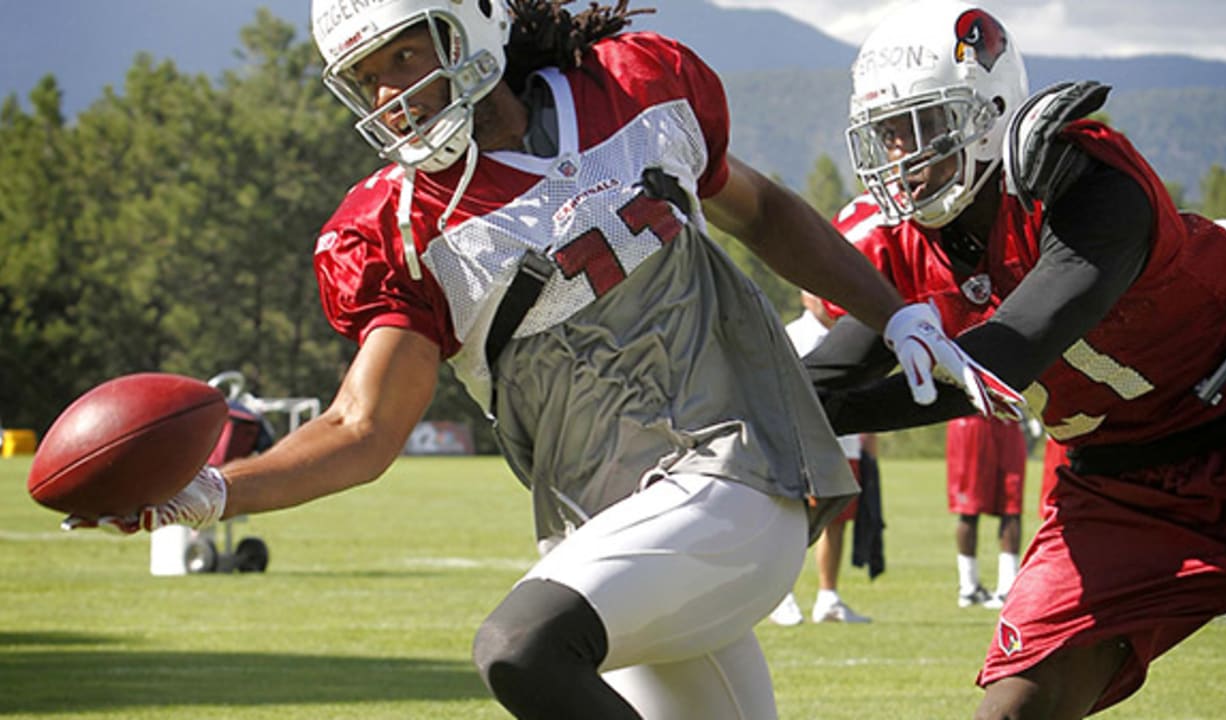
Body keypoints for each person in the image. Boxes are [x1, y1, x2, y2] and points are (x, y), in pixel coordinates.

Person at [61, 2, 1010, 718]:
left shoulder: (634, 86)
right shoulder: (395, 226)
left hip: (739, 474)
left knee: (521, 648)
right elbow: (362, 428)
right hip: (608, 534)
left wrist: (896, 316)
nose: (394, 92)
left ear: (473, 24)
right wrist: (212, 492)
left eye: (407, 54)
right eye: (369, 75)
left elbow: (760, 210)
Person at [802, 1, 1226, 717]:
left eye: (920, 128)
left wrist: (818, 407)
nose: (901, 155)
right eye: (888, 134)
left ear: (990, 112)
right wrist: (748, 403)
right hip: (1118, 485)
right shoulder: (906, 247)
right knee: (1014, 709)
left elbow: (1000, 361)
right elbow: (829, 376)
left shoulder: (1089, 187)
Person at [769, 291, 873, 626]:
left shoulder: (854, 335)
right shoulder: (792, 336)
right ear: (802, 296)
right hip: (803, 448)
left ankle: (828, 597)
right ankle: (780, 596)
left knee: (837, 522)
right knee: (795, 524)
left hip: (844, 443)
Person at [945, 414, 1026, 609]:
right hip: (972, 417)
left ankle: (1006, 587)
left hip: (1005, 416)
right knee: (969, 507)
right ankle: (969, 587)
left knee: (1011, 503)